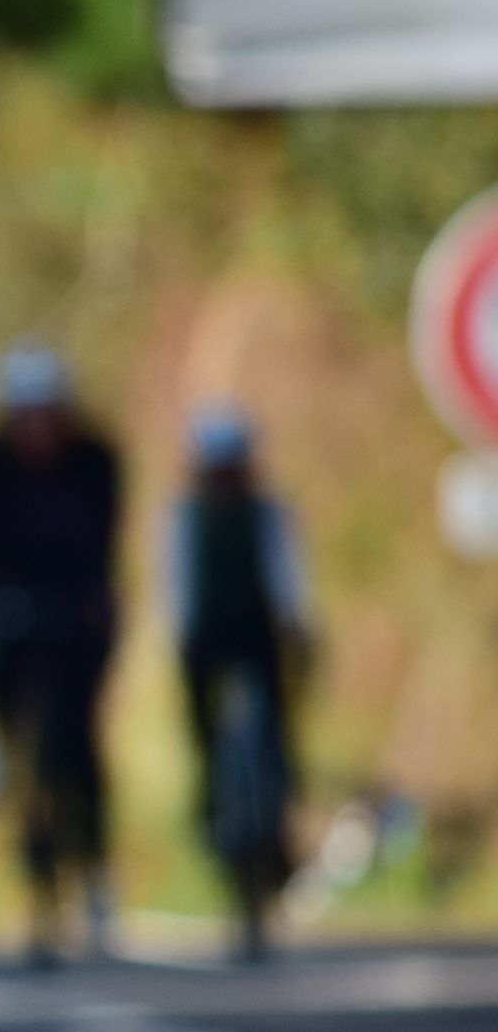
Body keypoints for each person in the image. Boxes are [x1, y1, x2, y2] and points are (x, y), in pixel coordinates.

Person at [0, 342, 122, 967]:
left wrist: (97, 607)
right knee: (15, 723)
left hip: (76, 614)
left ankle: (94, 866)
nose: (36, 429)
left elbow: (105, 544)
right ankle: (0, 757)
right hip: (14, 614)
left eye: (45, 414)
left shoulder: (95, 461)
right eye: (24, 416)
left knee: (78, 742)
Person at [164, 402, 311, 960]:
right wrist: (181, 638)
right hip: (208, 637)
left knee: (276, 728)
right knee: (203, 732)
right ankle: (212, 810)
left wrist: (298, 628)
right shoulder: (185, 517)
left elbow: (288, 576)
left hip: (257, 634)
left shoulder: (267, 514)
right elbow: (176, 582)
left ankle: (277, 819)